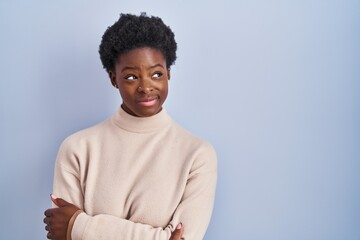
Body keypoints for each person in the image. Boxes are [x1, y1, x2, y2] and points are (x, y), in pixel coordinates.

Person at [43, 13, 217, 240]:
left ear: (169, 74)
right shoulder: (77, 149)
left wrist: (81, 227)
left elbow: (184, 238)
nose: (146, 87)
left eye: (156, 74)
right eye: (131, 77)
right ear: (113, 78)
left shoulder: (197, 155)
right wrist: (160, 236)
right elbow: (61, 234)